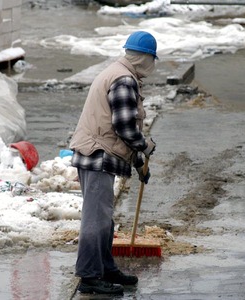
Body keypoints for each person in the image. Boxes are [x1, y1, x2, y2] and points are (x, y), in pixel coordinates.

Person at [69, 31, 157, 295]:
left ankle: (105, 267)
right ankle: (89, 276)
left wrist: (137, 159)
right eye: (152, 59)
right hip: (97, 154)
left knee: (103, 217)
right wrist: (144, 146)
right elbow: (125, 126)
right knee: (95, 219)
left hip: (97, 152)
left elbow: (118, 126)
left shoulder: (120, 72)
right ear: (146, 59)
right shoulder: (123, 79)